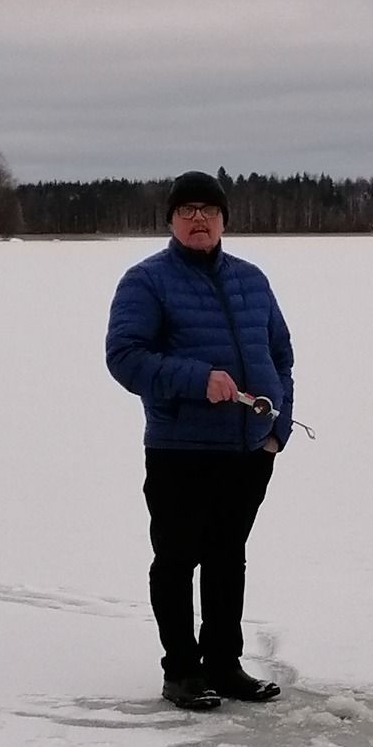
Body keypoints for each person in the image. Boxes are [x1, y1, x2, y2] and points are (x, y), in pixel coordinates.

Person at [106, 170, 295, 710]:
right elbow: (125, 357)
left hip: (248, 451)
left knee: (226, 557)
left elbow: (281, 355)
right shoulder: (146, 281)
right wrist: (198, 379)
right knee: (176, 559)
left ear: (223, 221)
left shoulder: (252, 280)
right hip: (180, 450)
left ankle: (224, 664)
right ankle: (182, 672)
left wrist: (277, 428)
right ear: (170, 221)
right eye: (186, 210)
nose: (198, 219)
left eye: (208, 211)